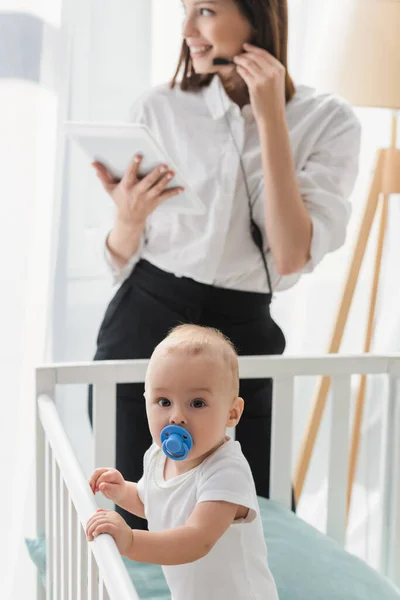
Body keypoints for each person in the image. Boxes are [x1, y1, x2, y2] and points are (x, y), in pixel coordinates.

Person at [88, 0, 361, 530]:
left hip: (242, 334)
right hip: (144, 319)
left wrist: (271, 117)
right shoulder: (158, 108)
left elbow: (288, 256)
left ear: (258, 16)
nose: (188, 30)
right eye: (185, 10)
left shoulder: (328, 120)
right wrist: (127, 216)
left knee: (252, 520)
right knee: (137, 518)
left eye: (206, 10)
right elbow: (121, 254)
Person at [86, 325, 280, 600]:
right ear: (146, 402)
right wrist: (121, 491)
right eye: (163, 401)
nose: (176, 417)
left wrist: (130, 541)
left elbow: (196, 539)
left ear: (232, 413)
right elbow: (155, 503)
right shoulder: (157, 456)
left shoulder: (226, 470)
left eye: (197, 403)